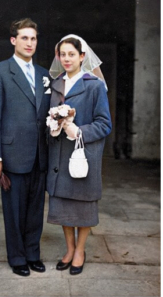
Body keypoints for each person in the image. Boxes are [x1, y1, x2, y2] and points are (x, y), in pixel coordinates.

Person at [0, 18, 51, 277]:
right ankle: (17, 257)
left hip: (39, 154)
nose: (29, 43)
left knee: (35, 209)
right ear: (14, 40)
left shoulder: (45, 74)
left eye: (33, 38)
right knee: (14, 210)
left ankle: (33, 254)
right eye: (24, 38)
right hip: (12, 154)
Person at [46, 34, 112, 275]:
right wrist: (53, 126)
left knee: (82, 206)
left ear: (82, 56)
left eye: (71, 54)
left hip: (82, 154)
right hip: (59, 156)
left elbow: (105, 124)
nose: (66, 58)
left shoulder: (94, 85)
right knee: (63, 204)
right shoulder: (55, 85)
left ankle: (80, 250)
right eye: (62, 54)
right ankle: (69, 248)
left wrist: (78, 130)